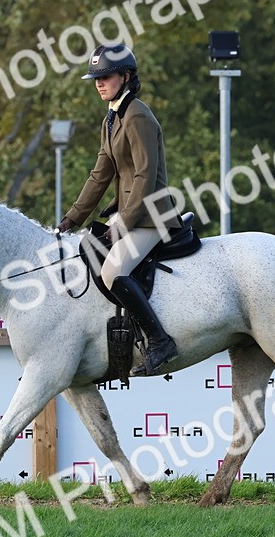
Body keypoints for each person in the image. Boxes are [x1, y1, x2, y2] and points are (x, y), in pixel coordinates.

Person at [57, 43, 183, 377]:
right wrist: (72, 217)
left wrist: (124, 223)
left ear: (125, 76)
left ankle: (160, 342)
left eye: (106, 77)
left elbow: (144, 174)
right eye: (96, 78)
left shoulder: (138, 115)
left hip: (150, 216)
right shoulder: (113, 117)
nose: (99, 83)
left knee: (113, 272)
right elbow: (100, 175)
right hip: (129, 213)